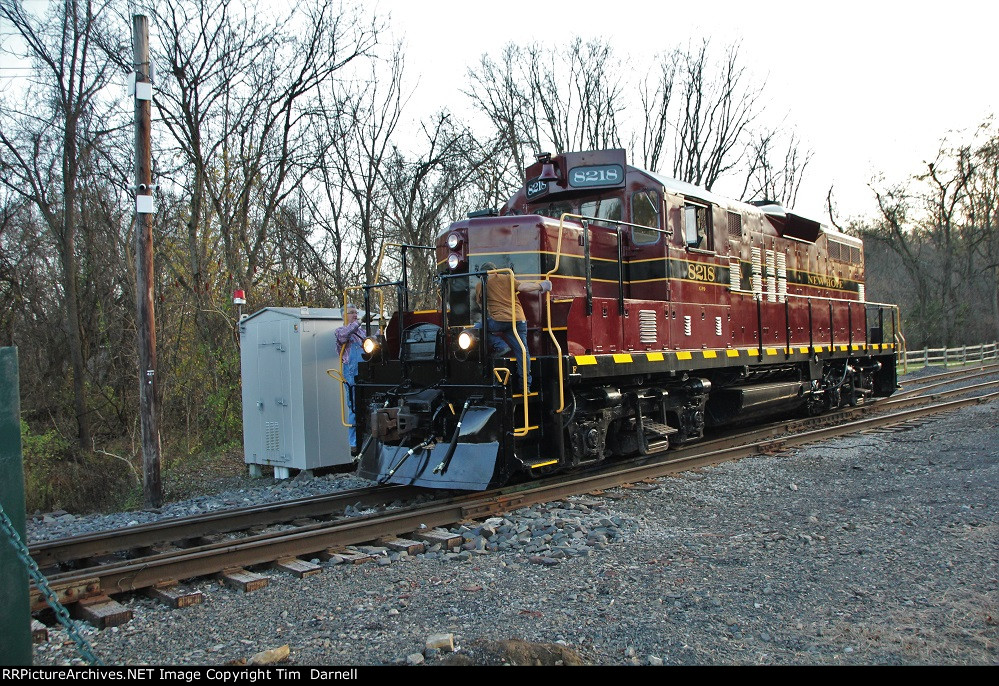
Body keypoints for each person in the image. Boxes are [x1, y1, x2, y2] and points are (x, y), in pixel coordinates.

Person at [474, 262, 552, 388]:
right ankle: (525, 385)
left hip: (499, 321)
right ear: (496, 271)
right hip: (519, 319)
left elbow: (480, 304)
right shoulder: (508, 277)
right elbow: (523, 288)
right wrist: (541, 286)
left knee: (477, 329)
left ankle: (501, 345)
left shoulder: (481, 284)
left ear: (483, 274)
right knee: (522, 351)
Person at [335, 304, 364, 455]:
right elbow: (346, 333)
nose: (355, 315)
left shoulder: (361, 333)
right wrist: (357, 323)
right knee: (354, 407)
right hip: (352, 373)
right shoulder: (340, 331)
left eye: (356, 312)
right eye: (351, 312)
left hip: (365, 372)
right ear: (343, 316)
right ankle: (353, 442)